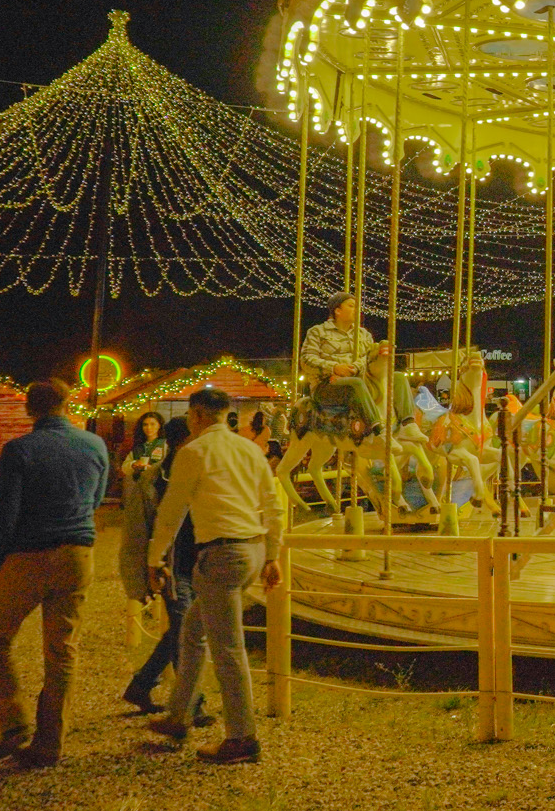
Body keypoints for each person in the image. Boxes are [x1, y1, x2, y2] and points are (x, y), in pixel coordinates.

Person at [0, 380, 109, 767]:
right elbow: (96, 499)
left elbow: (5, 511)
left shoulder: (20, 450)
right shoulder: (95, 445)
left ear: (29, 409)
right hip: (78, 553)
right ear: (67, 403)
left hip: (30, 554)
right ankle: (50, 742)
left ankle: (13, 721)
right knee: (62, 650)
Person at [146, 388, 284, 764]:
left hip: (221, 553)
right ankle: (179, 714)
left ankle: (242, 737)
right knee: (193, 633)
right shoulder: (250, 450)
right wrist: (272, 554)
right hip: (252, 549)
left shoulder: (194, 452)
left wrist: (155, 558)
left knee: (228, 648)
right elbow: (272, 505)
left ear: (196, 416)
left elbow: (172, 511)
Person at [119, 415, 210, 723]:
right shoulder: (154, 479)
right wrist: (141, 575)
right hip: (171, 568)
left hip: (199, 564)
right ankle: (192, 705)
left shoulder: (200, 473)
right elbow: (137, 530)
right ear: (181, 441)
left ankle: (142, 685)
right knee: (185, 631)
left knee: (183, 630)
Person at [300, 290, 413, 436]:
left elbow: (368, 358)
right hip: (327, 385)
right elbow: (306, 359)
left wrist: (355, 368)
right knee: (355, 384)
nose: (356, 309)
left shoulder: (363, 334)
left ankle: (408, 424)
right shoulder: (318, 332)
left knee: (398, 377)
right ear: (338, 311)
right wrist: (334, 368)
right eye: (351, 306)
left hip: (361, 379)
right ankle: (377, 429)